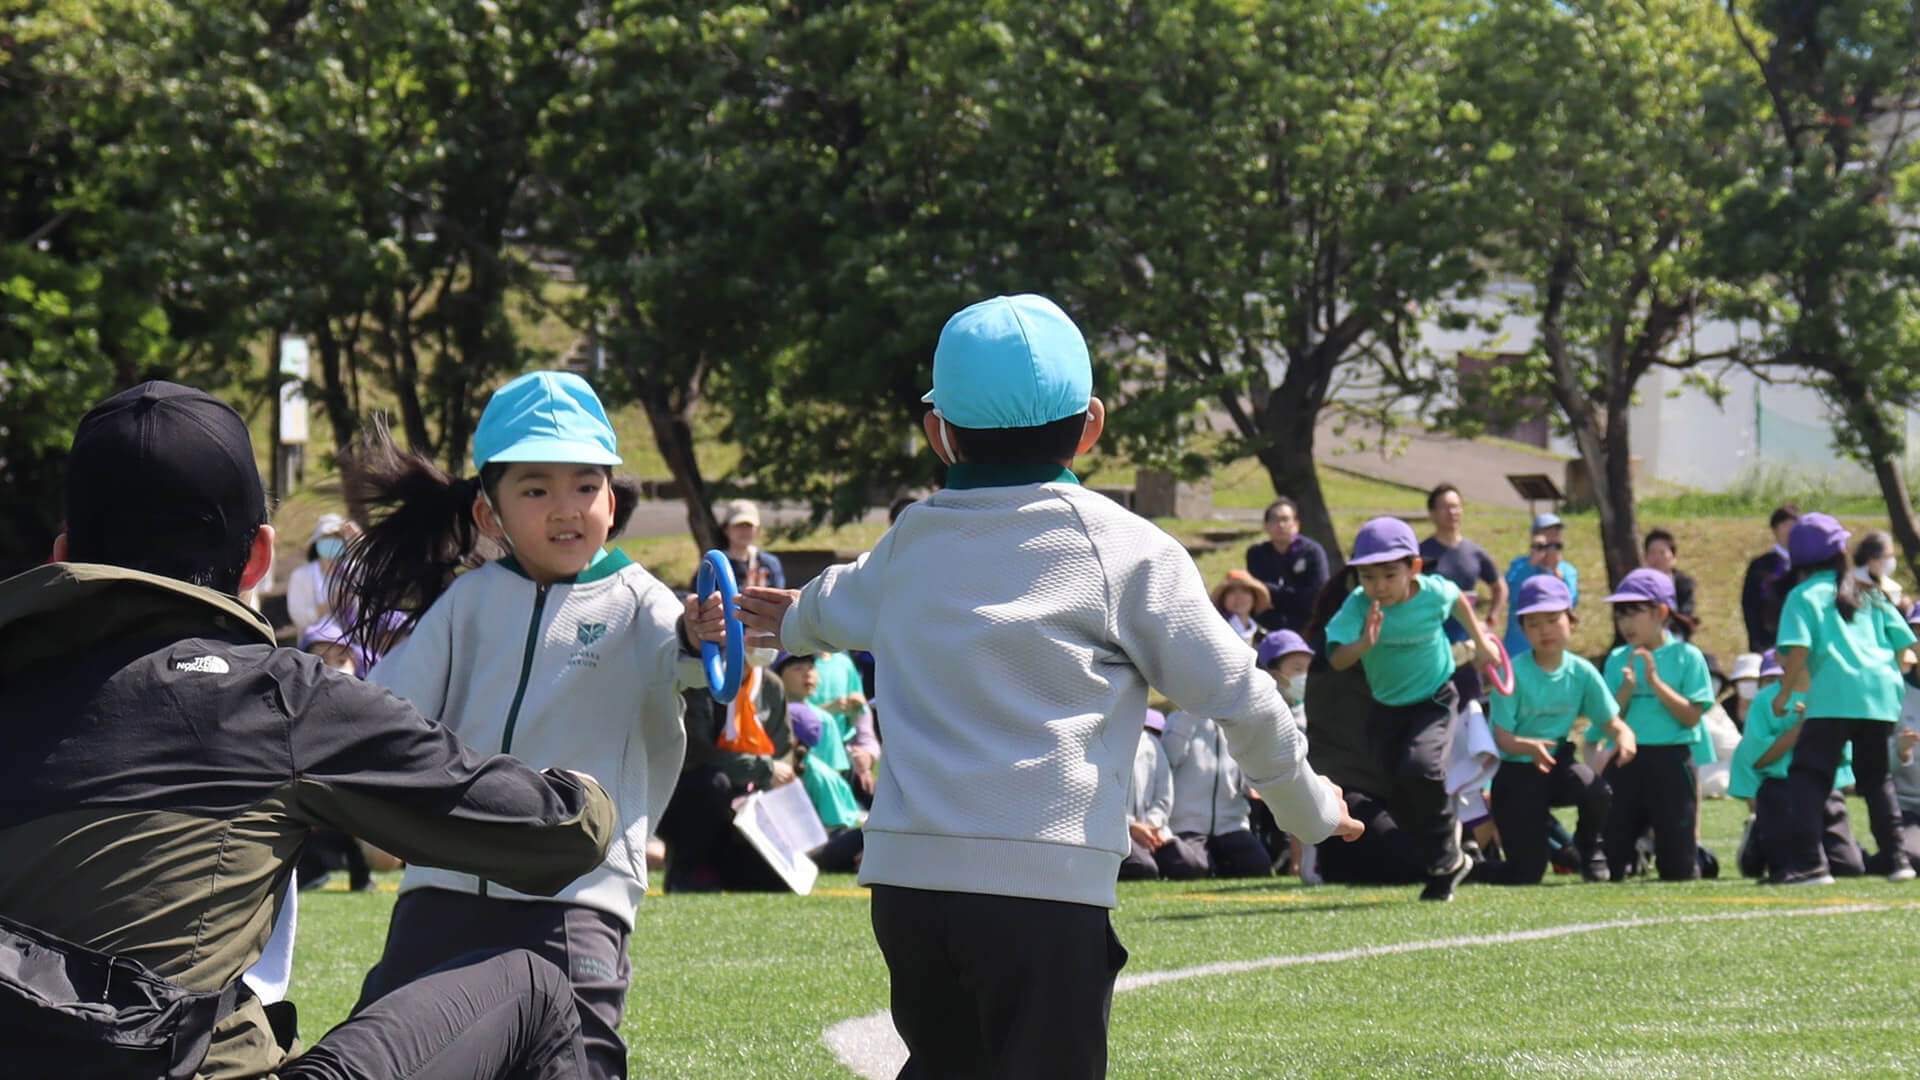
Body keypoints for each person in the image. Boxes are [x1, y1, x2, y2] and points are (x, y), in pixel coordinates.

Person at [733, 293, 1358, 1079]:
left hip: (909, 890)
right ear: (1092, 425)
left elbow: (828, 606)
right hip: (1045, 889)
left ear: (939, 433)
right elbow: (1245, 696)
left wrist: (785, 622)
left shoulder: (911, 540)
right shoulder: (1125, 549)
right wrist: (1311, 807)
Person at [0, 380, 624, 1080]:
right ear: (259, 559)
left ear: (62, 556)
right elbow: (560, 835)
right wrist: (588, 786)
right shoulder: (274, 699)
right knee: (532, 987)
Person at [334, 370, 726, 1079]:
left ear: (611, 498)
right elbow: (384, 709)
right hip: (441, 895)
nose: (566, 507)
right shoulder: (468, 604)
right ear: (490, 515)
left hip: (576, 900)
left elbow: (690, 659)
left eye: (585, 484)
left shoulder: (640, 600)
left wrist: (707, 637)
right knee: (386, 1059)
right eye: (536, 488)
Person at [1328, 515, 1499, 901]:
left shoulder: (1433, 593)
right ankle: (1450, 864)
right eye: (1368, 577)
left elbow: (1458, 600)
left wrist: (1482, 641)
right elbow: (1337, 659)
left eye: (1389, 575)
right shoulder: (1358, 607)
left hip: (1434, 697)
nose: (1379, 587)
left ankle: (1446, 851)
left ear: (1414, 568)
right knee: (1400, 796)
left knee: (1421, 767)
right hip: (1386, 708)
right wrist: (1362, 645)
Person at [1772, 512, 1919, 886]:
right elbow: (1907, 649)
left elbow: (1799, 651)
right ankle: (1897, 860)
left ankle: (1809, 864)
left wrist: (1784, 693)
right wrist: (1884, 672)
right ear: (1841, 551)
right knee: (1876, 778)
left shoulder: (1802, 596)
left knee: (1808, 775)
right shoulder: (1867, 591)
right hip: (1881, 696)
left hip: (1834, 696)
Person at [1476, 575, 1627, 885]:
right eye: (1533, 623)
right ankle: (1467, 866)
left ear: (1571, 621)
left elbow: (1611, 721)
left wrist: (1625, 736)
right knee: (1526, 874)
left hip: (1557, 763)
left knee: (1595, 789)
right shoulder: (1512, 673)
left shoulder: (1581, 671)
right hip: (1516, 774)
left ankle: (1589, 847)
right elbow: (1502, 739)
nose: (1544, 630)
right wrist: (1529, 746)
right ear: (1522, 630)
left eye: (1552, 619)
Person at [1296, 574, 1426, 886]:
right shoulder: (1333, 665)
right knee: (1411, 865)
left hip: (1386, 793)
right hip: (1347, 793)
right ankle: (1318, 849)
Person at [1595, 568, 1717, 881]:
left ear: (1662, 612)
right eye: (1620, 614)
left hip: (1672, 760)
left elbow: (1692, 716)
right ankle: (1634, 849)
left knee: (1678, 869)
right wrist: (1625, 690)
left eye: (1634, 613)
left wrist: (1654, 683)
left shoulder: (1688, 657)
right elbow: (1609, 718)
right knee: (1611, 865)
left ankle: (1673, 850)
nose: (1626, 623)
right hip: (1627, 760)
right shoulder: (1617, 658)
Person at [1731, 651, 1865, 881]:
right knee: (1788, 867)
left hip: (1823, 790)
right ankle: (1759, 836)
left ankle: (1841, 843)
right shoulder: (1765, 701)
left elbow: (1842, 755)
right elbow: (1759, 758)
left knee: (1849, 867)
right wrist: (1799, 729)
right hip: (1781, 789)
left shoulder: (1829, 697)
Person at [1420, 483, 1506, 704]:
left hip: (1468, 648)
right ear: (1431, 513)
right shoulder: (1420, 553)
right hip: (1431, 648)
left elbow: (1499, 587)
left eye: (1456, 507)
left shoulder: (1474, 552)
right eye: (1445, 507)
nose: (1452, 513)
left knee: (1471, 711)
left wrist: (1490, 620)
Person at [1246, 497, 1329, 634]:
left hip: (1308, 626)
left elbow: (1318, 596)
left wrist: (1272, 590)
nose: (1280, 525)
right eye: (1274, 520)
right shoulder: (1256, 554)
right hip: (1268, 625)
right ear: (1266, 525)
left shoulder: (1312, 552)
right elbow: (1258, 595)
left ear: (1296, 524)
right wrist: (1294, 593)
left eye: (1285, 519)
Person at [1501, 513, 1579, 658]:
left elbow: (1571, 602)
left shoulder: (1567, 570)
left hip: (1552, 649)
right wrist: (1532, 565)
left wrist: (1556, 572)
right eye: (1547, 533)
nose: (1551, 539)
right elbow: (1511, 594)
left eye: (1555, 534)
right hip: (1518, 648)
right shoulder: (1519, 565)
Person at [1119, 710, 1175, 881]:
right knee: (1144, 868)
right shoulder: (1105, 740)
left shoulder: (1151, 744)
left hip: (1152, 832)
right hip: (1119, 833)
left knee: (1188, 865)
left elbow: (1164, 795)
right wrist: (1130, 826)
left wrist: (1151, 826)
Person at [285, 513, 357, 636]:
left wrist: (357, 538)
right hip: (316, 645)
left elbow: (374, 574)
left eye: (337, 538)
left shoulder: (352, 571)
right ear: (317, 543)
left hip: (352, 642)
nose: (332, 543)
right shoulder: (300, 575)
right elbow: (298, 618)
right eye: (327, 538)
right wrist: (330, 605)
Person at [1741, 504, 1800, 653]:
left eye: (1794, 525)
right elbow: (1750, 605)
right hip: (1768, 640)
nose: (1789, 530)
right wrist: (1756, 641)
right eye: (1784, 525)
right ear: (1774, 529)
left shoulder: (1807, 564)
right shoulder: (1760, 565)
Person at [712, 498, 785, 589]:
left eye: (749, 526)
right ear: (726, 529)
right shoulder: (716, 563)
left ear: (757, 530)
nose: (744, 530)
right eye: (739, 525)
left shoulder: (770, 563)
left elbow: (781, 597)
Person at [1642, 528, 1698, 641]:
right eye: (1652, 553)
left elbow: (1686, 615)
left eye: (1662, 553)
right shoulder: (1639, 585)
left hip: (1676, 639)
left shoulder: (1684, 584)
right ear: (1645, 558)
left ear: (1673, 557)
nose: (1657, 558)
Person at [1211, 569, 1272, 645]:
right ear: (1223, 599)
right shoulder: (1214, 631)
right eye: (1232, 591)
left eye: (1245, 591)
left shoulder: (1262, 636)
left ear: (1254, 598)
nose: (1239, 597)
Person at [1852, 529, 1905, 608]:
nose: (1891, 561)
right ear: (1872, 559)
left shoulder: (1889, 585)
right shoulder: (1852, 583)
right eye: (1888, 556)